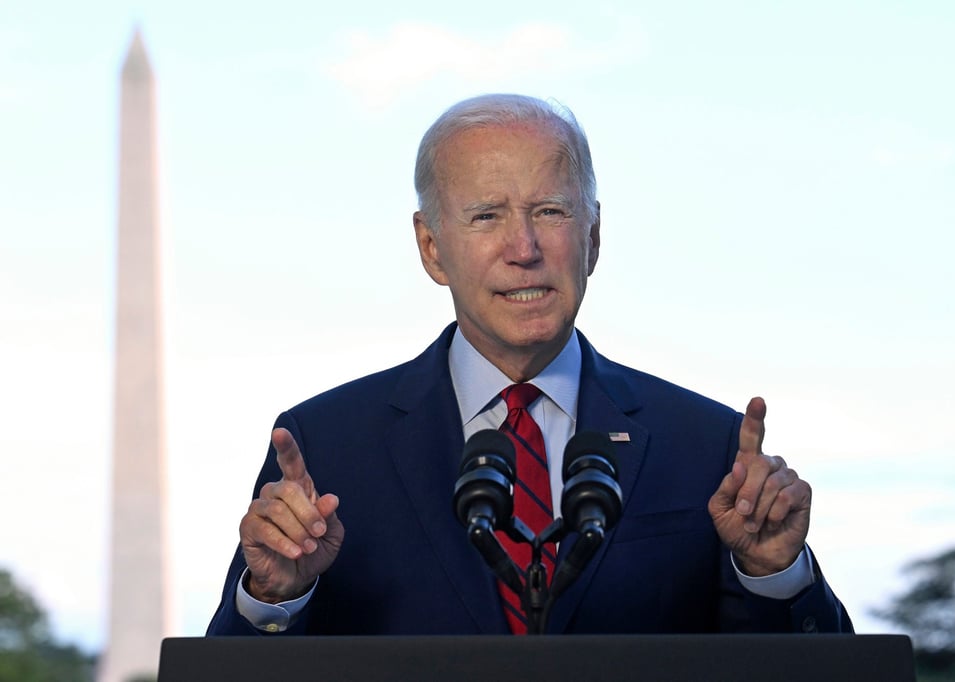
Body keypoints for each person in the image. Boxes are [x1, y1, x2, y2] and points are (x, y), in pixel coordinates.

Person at [207, 93, 853, 636]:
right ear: (432, 248)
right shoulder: (327, 448)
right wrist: (274, 598)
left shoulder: (707, 446)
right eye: (487, 216)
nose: (524, 248)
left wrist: (774, 575)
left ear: (593, 237)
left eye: (550, 211)